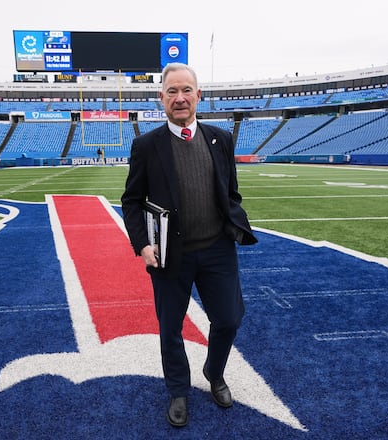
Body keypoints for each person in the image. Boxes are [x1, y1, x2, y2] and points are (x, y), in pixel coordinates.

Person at [120, 63, 257, 428]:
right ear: (161, 98)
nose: (179, 98)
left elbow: (231, 192)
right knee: (170, 326)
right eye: (171, 92)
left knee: (229, 318)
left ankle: (214, 372)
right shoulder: (146, 145)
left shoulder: (221, 139)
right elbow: (131, 200)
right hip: (169, 252)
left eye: (186, 91)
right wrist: (142, 244)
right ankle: (178, 389)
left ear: (199, 95)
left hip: (216, 249)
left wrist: (234, 220)